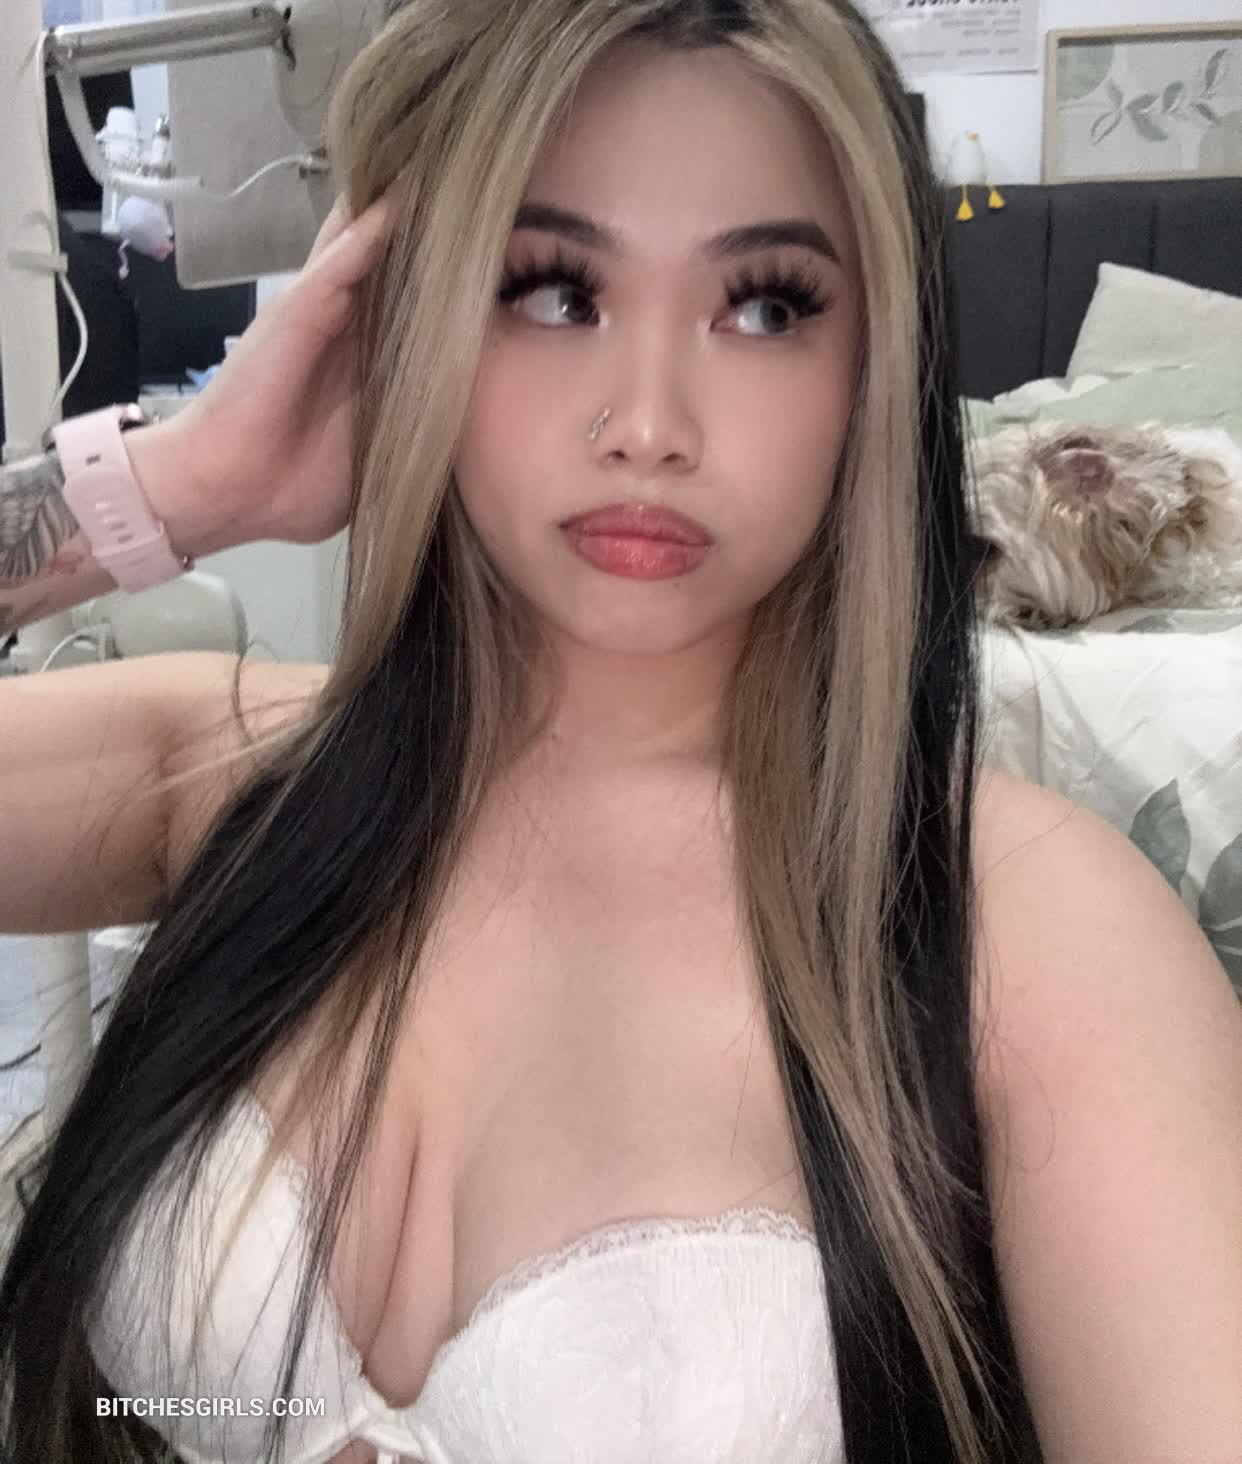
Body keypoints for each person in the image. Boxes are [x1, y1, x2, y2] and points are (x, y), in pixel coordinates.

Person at [1, 2, 1239, 1462]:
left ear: (870, 374)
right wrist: (180, 483)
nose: (648, 424)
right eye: (551, 289)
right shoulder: (220, 771)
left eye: (764, 307)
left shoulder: (1038, 940)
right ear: (415, 314)